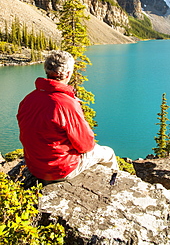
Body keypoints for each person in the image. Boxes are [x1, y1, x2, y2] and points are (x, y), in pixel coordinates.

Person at [17, 50, 118, 183]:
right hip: (60, 169)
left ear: (47, 70)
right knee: (108, 153)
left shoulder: (28, 99)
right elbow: (86, 145)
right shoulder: (65, 104)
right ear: (69, 73)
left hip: (34, 166)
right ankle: (113, 184)